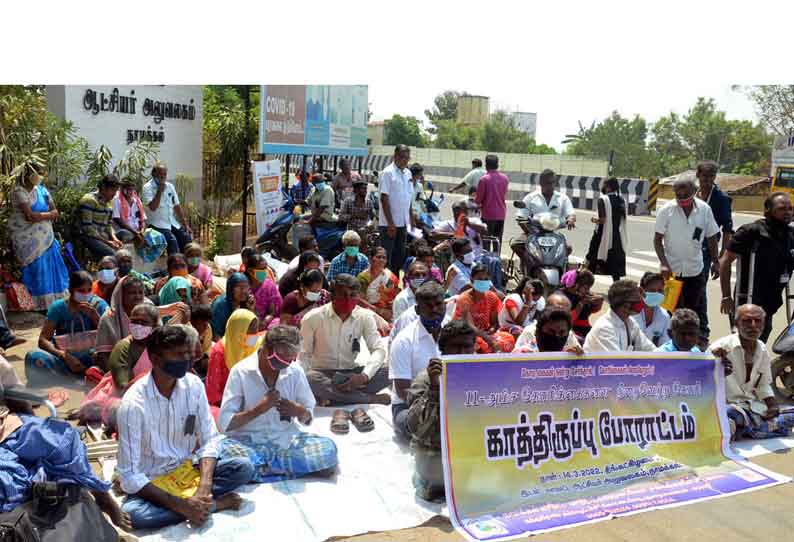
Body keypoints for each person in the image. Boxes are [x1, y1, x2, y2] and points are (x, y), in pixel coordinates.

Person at [116, 326, 252, 530]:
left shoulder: (194, 385)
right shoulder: (133, 404)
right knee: (134, 515)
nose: (187, 360)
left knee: (244, 468)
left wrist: (204, 488)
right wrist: (181, 505)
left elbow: (210, 439)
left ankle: (199, 504)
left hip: (188, 471)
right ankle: (214, 505)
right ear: (155, 359)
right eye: (178, 355)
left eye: (188, 354)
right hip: (155, 480)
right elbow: (129, 475)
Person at [219, 325, 338, 482]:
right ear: (267, 349)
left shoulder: (295, 371)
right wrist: (259, 409)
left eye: (292, 359)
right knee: (223, 451)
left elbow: (308, 416)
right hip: (248, 442)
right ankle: (279, 468)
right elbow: (224, 424)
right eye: (284, 359)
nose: (288, 363)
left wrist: (299, 411)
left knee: (328, 450)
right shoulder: (240, 372)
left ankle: (260, 470)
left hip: (286, 441)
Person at [405, 320, 477, 501]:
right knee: (437, 488)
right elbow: (416, 428)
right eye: (456, 347)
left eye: (467, 347)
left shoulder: (481, 376)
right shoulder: (426, 379)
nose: (462, 353)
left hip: (469, 453)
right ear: (443, 349)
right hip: (436, 455)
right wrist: (435, 389)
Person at [299, 274, 390, 406]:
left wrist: (363, 376)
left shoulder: (364, 316)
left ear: (358, 296)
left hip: (352, 374)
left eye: (353, 295)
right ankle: (368, 398)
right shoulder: (312, 318)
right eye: (343, 295)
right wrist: (304, 385)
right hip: (323, 374)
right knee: (310, 379)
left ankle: (333, 398)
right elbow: (304, 355)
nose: (348, 299)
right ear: (332, 296)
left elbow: (378, 350)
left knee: (389, 370)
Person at [711, 304, 794, 440]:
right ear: (736, 324)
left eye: (758, 321)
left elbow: (763, 384)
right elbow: (703, 384)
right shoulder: (719, 349)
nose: (753, 325)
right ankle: (759, 428)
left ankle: (746, 428)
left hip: (751, 408)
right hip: (727, 407)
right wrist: (716, 369)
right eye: (747, 321)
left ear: (763, 325)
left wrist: (772, 406)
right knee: (729, 413)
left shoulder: (761, 348)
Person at [719, 192, 794, 343]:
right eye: (781, 208)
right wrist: (726, 296)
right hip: (749, 297)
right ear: (767, 210)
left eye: (790, 208)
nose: (787, 212)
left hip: (772, 299)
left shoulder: (790, 235)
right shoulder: (751, 231)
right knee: (744, 341)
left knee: (762, 338)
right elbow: (726, 261)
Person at [654, 177, 719, 342]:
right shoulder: (666, 210)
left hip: (694, 269)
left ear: (694, 192)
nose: (682, 198)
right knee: (670, 309)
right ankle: (670, 342)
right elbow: (657, 239)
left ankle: (690, 342)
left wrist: (716, 261)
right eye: (678, 195)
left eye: (686, 195)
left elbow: (712, 237)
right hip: (672, 271)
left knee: (692, 310)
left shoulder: (704, 210)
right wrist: (663, 263)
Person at [80, 303, 160, 426]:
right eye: (134, 321)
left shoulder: (159, 344)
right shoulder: (123, 347)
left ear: (154, 326)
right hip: (127, 395)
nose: (138, 326)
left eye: (143, 323)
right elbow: (123, 387)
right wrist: (149, 378)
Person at [25, 271, 109, 385]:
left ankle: (79, 376)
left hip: (93, 358)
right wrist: (64, 356)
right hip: (66, 358)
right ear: (70, 290)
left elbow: (111, 334)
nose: (85, 294)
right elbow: (43, 340)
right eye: (80, 290)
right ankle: (79, 377)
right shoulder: (58, 308)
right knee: (33, 358)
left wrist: (94, 316)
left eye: (89, 290)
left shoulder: (99, 305)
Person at [8, 164, 69, 310]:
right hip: (27, 239)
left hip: (46, 238)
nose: (40, 177)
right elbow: (30, 216)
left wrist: (42, 216)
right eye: (38, 173)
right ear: (28, 174)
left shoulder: (42, 190)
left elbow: (54, 211)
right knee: (36, 269)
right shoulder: (19, 191)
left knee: (52, 267)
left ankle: (54, 301)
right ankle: (35, 304)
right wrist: (49, 215)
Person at [390, 281, 446, 439]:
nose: (434, 310)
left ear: (445, 305)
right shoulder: (404, 341)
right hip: (410, 405)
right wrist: (433, 403)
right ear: (417, 310)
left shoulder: (453, 331)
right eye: (428, 306)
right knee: (421, 425)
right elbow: (403, 392)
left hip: (448, 401)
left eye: (438, 304)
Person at [695, 161, 734, 342]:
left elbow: (727, 230)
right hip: (688, 249)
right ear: (698, 176)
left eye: (711, 177)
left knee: (700, 289)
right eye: (705, 176)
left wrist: (719, 258)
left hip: (706, 250)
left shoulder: (721, 198)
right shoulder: (693, 194)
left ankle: (703, 330)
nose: (708, 180)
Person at [512, 169, 575, 270]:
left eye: (553, 182)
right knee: (515, 244)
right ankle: (526, 264)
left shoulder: (562, 198)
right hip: (532, 233)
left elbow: (570, 213)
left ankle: (562, 273)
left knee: (567, 248)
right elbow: (521, 216)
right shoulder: (530, 198)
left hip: (553, 234)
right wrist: (529, 231)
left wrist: (571, 219)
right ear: (541, 183)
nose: (551, 185)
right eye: (548, 183)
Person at [206, 308, 263, 409]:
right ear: (239, 331)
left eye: (256, 329)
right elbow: (213, 391)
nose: (255, 334)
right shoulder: (219, 352)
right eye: (252, 330)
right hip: (227, 403)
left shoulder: (256, 347)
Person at [583, 280, 655, 353]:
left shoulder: (630, 322)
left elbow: (649, 348)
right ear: (625, 305)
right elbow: (616, 361)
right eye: (638, 300)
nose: (641, 303)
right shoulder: (605, 328)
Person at [452, 264, 509, 353]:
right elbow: (469, 326)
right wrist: (489, 340)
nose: (483, 282)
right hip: (467, 334)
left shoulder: (492, 297)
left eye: (486, 279)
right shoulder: (464, 299)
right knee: (479, 345)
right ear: (472, 280)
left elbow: (495, 322)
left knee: (508, 339)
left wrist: (492, 329)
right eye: (479, 279)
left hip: (487, 333)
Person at [94, 275, 147, 370]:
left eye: (140, 292)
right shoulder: (109, 318)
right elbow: (104, 355)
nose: (138, 297)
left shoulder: (149, 314)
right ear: (121, 294)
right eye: (132, 293)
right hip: (119, 368)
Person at [142, 163, 193, 255]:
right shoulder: (147, 187)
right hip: (156, 225)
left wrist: (185, 224)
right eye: (160, 174)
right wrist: (159, 191)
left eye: (165, 174)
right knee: (173, 242)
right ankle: (174, 266)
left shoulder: (170, 186)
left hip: (171, 222)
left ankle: (186, 266)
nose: (163, 176)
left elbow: (176, 206)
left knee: (186, 238)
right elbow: (153, 207)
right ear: (154, 174)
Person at [379, 145, 415, 275]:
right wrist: (390, 223)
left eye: (407, 158)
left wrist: (411, 218)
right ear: (395, 156)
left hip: (403, 223)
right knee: (386, 258)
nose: (405, 160)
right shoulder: (388, 172)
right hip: (389, 224)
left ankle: (393, 285)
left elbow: (408, 197)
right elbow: (384, 198)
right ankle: (383, 287)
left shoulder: (408, 173)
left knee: (399, 257)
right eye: (402, 157)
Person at [586, 177, 628, 282]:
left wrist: (594, 219)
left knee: (592, 259)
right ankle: (617, 286)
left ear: (608, 187)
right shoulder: (621, 199)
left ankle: (586, 285)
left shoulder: (603, 199)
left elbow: (602, 219)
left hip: (602, 235)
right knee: (614, 263)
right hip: (616, 236)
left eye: (604, 185)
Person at [513, 291, 582, 353]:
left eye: (565, 311)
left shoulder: (568, 334)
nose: (560, 313)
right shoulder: (530, 332)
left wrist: (573, 356)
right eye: (555, 309)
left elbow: (578, 355)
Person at [80, 174, 123, 258]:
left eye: (116, 190)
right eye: (112, 190)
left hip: (101, 236)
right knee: (114, 255)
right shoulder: (89, 200)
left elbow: (108, 225)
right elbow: (88, 229)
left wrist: (115, 239)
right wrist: (107, 242)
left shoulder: (109, 203)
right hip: (88, 237)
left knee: (124, 237)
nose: (114, 194)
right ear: (103, 187)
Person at [357, 246, 400, 321]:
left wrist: (391, 306)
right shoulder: (364, 277)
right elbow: (360, 300)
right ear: (370, 259)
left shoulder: (389, 276)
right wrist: (378, 311)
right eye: (378, 257)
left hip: (387, 314)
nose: (381, 260)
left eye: (384, 258)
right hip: (368, 313)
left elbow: (394, 294)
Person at [474, 154, 509, 245]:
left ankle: (487, 259)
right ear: (497, 165)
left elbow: (478, 200)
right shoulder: (505, 178)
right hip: (501, 214)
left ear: (486, 165)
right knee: (497, 241)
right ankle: (496, 258)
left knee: (486, 241)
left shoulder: (484, 179)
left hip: (488, 215)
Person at [243, 252, 282, 329]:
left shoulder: (269, 285)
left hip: (265, 323)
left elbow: (272, 312)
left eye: (265, 268)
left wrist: (263, 323)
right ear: (250, 271)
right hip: (246, 322)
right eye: (261, 269)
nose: (265, 272)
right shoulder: (242, 287)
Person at [561, 269, 603, 339]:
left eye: (589, 288)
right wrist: (580, 304)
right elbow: (568, 320)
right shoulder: (562, 297)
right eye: (586, 288)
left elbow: (592, 310)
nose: (588, 291)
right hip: (570, 330)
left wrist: (598, 303)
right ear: (577, 285)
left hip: (584, 329)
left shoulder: (582, 295)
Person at [210, 273, 254, 340]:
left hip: (239, 341)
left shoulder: (246, 303)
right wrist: (228, 349)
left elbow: (252, 327)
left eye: (246, 287)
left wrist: (251, 310)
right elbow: (216, 335)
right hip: (223, 342)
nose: (243, 291)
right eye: (239, 287)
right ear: (231, 288)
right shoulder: (220, 305)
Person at [632, 272, 671, 347]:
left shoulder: (665, 316)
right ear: (642, 290)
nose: (656, 294)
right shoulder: (630, 313)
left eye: (660, 290)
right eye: (652, 290)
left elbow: (664, 345)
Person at [112, 177, 147, 244]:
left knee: (155, 235)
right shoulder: (116, 199)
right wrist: (135, 232)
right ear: (122, 189)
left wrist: (142, 231)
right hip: (123, 230)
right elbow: (117, 220)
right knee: (126, 234)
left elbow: (143, 219)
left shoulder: (137, 200)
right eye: (127, 189)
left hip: (138, 231)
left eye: (132, 189)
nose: (130, 191)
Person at [190, 304, 213, 378]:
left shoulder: (208, 328)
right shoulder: (187, 332)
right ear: (193, 322)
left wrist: (205, 358)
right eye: (203, 323)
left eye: (207, 322)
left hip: (200, 360)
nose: (206, 326)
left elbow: (206, 349)